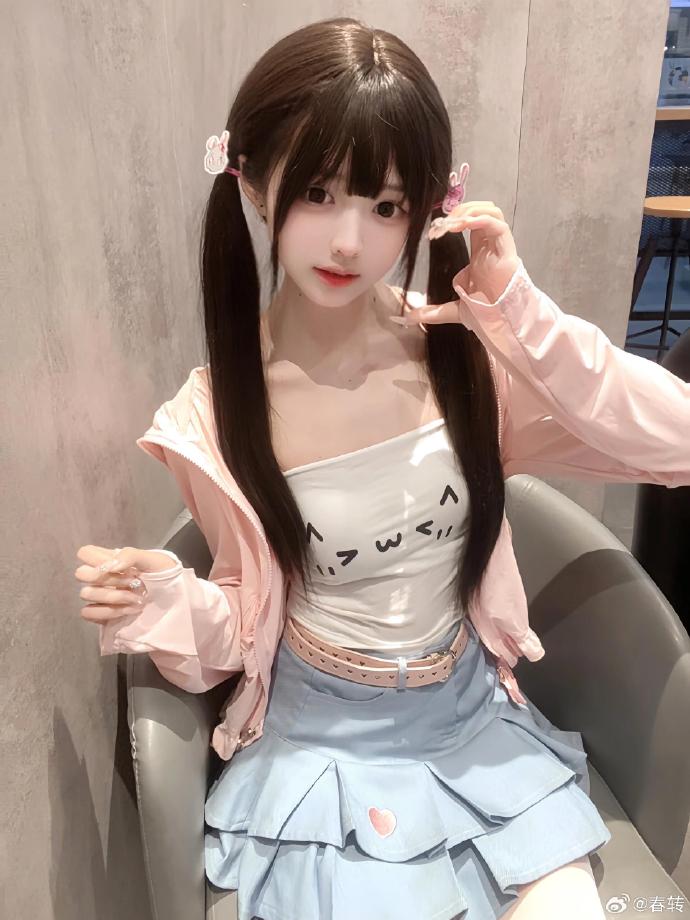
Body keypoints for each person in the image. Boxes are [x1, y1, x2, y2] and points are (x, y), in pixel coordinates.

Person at [74, 17, 690, 920]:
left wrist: (522, 315)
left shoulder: (465, 358)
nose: (349, 242)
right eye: (319, 193)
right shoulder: (213, 417)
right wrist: (170, 600)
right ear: (254, 184)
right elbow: (247, 625)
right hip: (321, 749)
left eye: (387, 206)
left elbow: (675, 440)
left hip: (474, 725)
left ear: (427, 210)